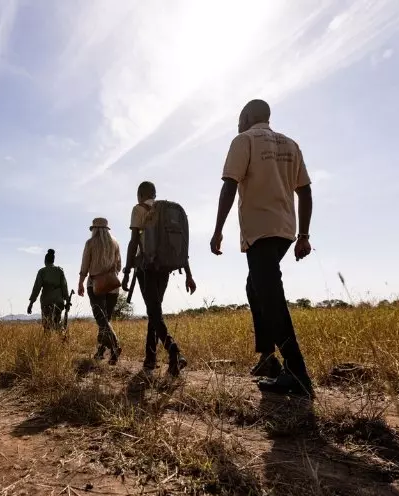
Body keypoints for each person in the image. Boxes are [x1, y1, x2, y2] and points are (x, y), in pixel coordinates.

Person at [210, 99, 315, 397]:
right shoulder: (290, 144)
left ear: (246, 117)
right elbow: (305, 192)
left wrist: (217, 230)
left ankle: (296, 372)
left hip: (260, 231)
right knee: (255, 287)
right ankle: (268, 357)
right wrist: (303, 235)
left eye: (238, 119)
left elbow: (229, 186)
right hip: (285, 231)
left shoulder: (244, 140)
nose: (237, 125)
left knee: (270, 297)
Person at [121, 181, 197, 379]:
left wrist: (127, 271)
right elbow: (178, 247)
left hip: (146, 267)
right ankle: (150, 358)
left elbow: (134, 241)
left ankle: (174, 351)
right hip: (165, 267)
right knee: (155, 311)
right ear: (154, 194)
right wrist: (188, 275)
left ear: (140, 195)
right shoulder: (166, 213)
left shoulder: (139, 209)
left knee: (153, 311)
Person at [78, 217, 122, 365]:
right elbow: (119, 266)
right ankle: (102, 351)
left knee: (101, 320)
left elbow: (85, 265)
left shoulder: (90, 243)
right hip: (113, 286)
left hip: (96, 285)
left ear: (95, 229)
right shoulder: (115, 243)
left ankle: (115, 346)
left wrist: (81, 282)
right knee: (105, 320)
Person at [28, 248, 69, 331]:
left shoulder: (42, 272)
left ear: (45, 260)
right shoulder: (59, 271)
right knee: (57, 322)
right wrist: (67, 301)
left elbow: (36, 288)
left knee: (47, 325)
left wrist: (31, 303)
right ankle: (60, 337)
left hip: (46, 302)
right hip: (58, 301)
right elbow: (64, 287)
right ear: (53, 260)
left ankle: (48, 339)